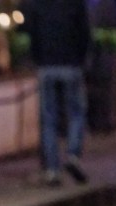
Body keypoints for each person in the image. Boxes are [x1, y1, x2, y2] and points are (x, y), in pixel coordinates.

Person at [20, 0, 92, 186]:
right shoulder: (75, 4)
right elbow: (84, 33)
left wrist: (38, 59)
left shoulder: (39, 4)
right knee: (76, 113)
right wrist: (82, 59)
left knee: (48, 118)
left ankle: (52, 169)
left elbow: (32, 33)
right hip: (71, 64)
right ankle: (73, 155)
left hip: (46, 65)